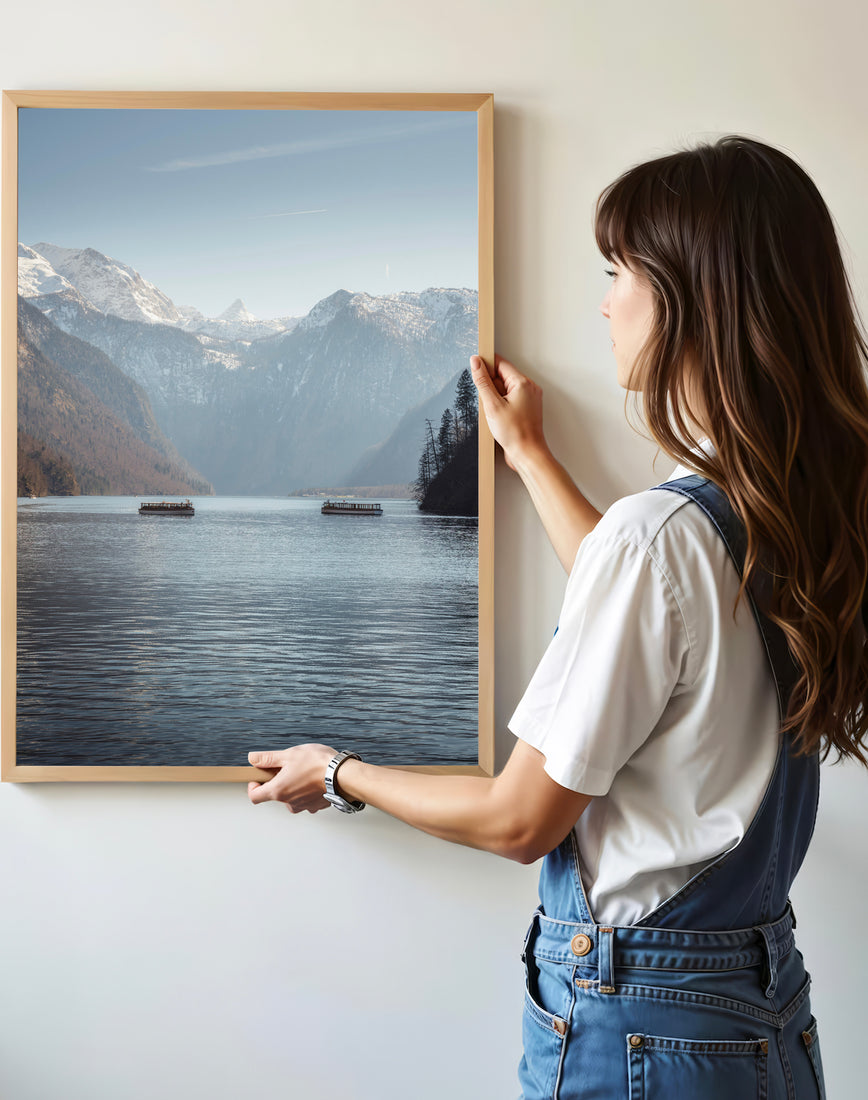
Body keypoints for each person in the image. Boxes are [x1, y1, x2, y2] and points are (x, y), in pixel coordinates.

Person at [246, 134, 868, 1099]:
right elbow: (657, 624)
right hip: (758, 1014)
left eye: (620, 271)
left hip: (642, 1030)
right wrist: (531, 455)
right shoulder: (786, 508)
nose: (605, 300)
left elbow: (518, 819)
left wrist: (335, 771)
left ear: (693, 299)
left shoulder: (662, 536)